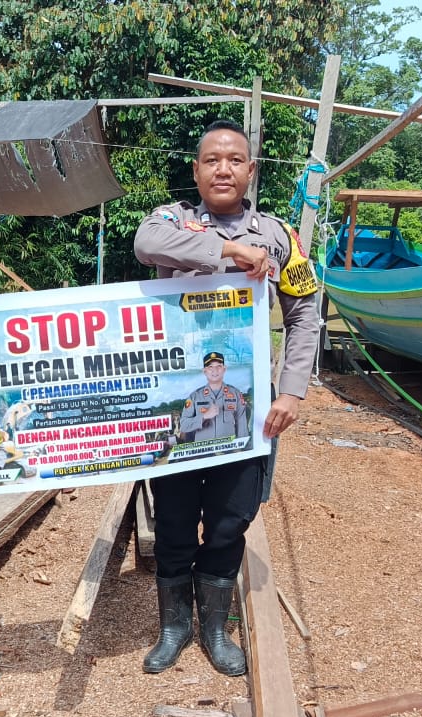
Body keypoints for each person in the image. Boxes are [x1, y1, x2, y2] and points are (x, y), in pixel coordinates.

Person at [133, 119, 319, 676]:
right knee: (172, 516)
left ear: (250, 171)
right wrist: (230, 251)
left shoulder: (280, 235)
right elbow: (146, 245)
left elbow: (305, 311)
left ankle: (216, 628)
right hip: (176, 405)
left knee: (229, 520)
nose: (222, 168)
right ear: (196, 169)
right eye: (211, 159)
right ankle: (174, 626)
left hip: (246, 407)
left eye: (234, 159)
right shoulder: (172, 220)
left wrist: (291, 390)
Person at [180, 351, 250, 443]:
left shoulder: (236, 394)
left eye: (219, 366)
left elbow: (242, 426)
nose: (215, 370)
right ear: (204, 371)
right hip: (204, 452)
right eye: (210, 367)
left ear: (224, 369)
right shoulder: (194, 397)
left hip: (228, 451)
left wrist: (242, 449)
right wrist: (204, 416)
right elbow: (184, 425)